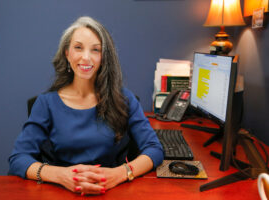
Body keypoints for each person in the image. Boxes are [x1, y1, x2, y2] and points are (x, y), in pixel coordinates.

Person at [8, 16, 163, 196]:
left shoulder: (124, 98)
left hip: (113, 191)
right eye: (78, 47)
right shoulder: (46, 103)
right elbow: (18, 158)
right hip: (62, 192)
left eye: (96, 50)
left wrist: (120, 173)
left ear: (104, 58)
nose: (86, 57)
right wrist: (61, 175)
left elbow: (155, 149)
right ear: (67, 53)